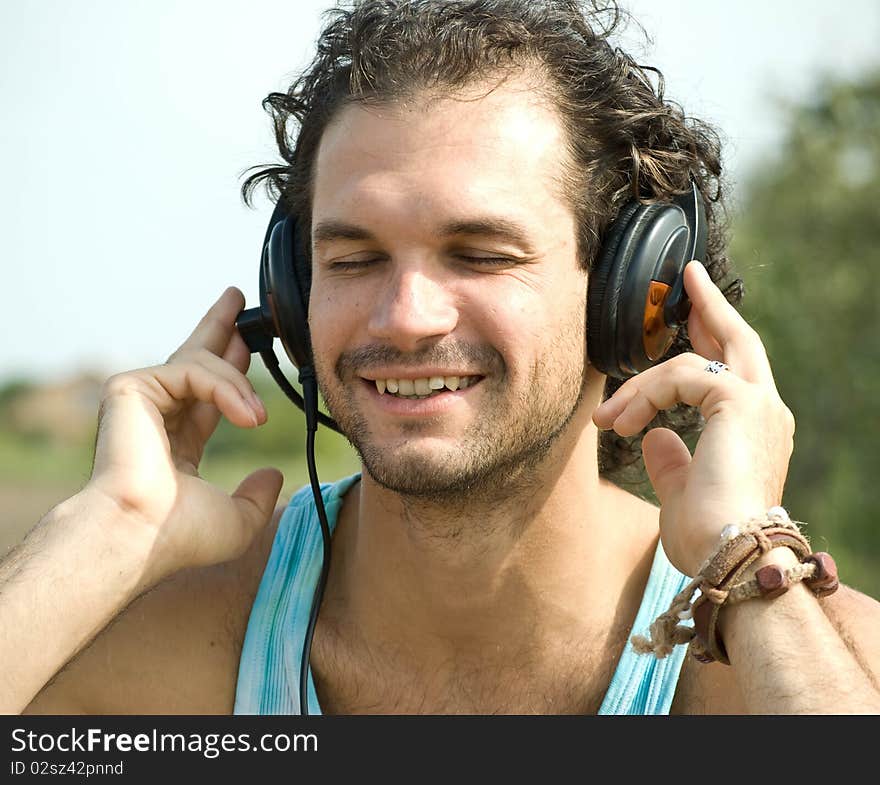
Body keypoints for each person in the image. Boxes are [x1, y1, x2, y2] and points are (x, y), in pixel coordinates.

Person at [5, 0, 880, 715]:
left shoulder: (799, 664)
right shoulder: (167, 644)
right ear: (294, 294)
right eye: (352, 258)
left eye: (481, 253)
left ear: (635, 298)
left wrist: (745, 560)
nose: (406, 315)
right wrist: (107, 526)